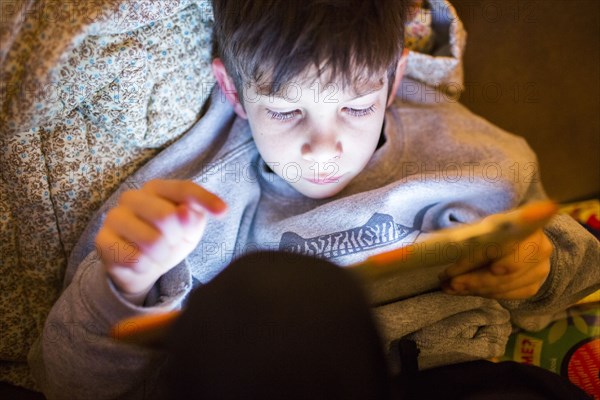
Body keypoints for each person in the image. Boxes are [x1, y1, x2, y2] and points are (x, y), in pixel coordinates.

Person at [29, 0, 600, 399]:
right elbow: (69, 384)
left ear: (394, 78)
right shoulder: (178, 202)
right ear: (233, 90)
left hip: (451, 377)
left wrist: (540, 265)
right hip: (278, 382)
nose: (323, 147)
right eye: (284, 110)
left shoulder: (482, 161)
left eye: (355, 106)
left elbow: (573, 278)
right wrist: (124, 289)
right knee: (272, 293)